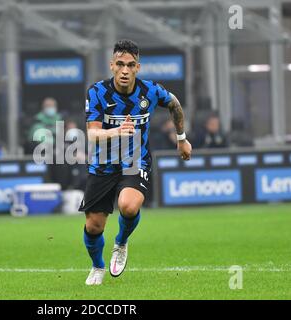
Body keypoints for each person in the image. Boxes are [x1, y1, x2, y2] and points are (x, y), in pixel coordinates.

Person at [79, 39, 192, 285]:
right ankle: (97, 266)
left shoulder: (150, 91)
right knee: (94, 226)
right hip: (102, 165)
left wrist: (182, 139)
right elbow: (92, 134)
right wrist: (116, 131)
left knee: (129, 206)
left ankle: (120, 242)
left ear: (137, 68)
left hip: (135, 161)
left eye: (130, 65)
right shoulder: (97, 92)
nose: (125, 70)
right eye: (120, 64)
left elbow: (174, 104)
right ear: (111, 66)